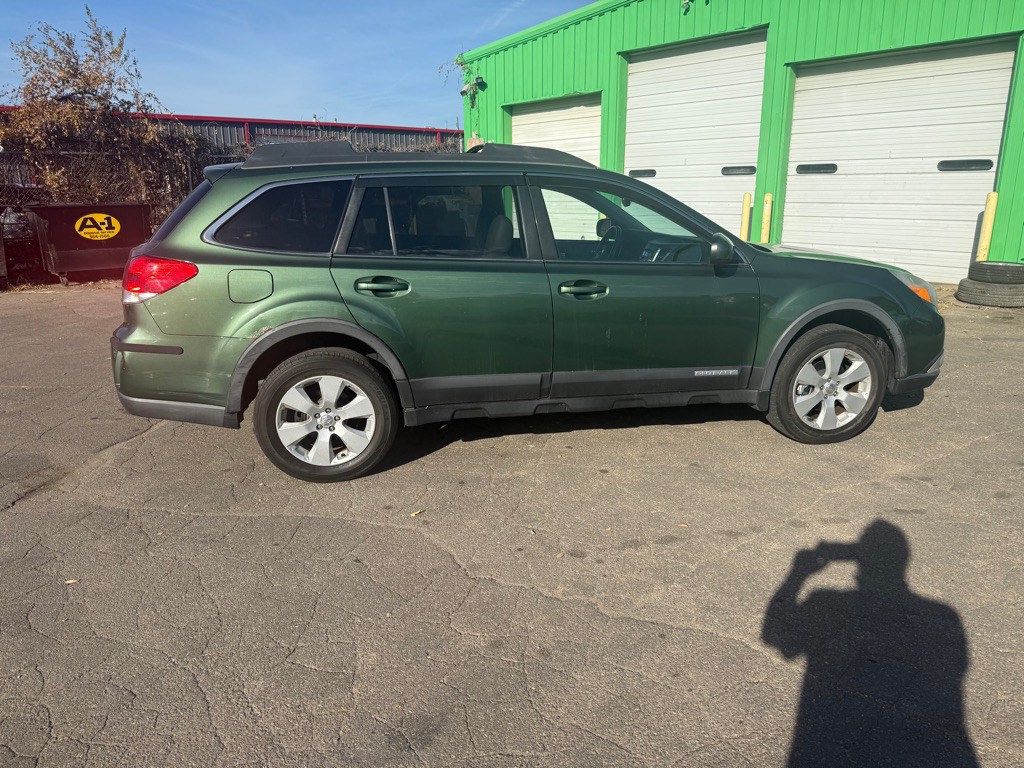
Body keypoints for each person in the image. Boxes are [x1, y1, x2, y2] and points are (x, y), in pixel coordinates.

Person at [762, 520, 977, 767]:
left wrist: (798, 573)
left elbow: (774, 636)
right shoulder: (943, 616)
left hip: (826, 748)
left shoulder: (826, 602)